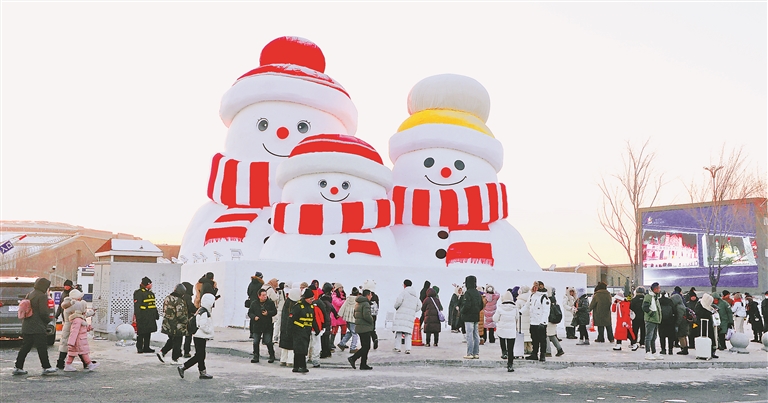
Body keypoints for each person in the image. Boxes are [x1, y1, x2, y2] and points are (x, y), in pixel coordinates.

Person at [13, 278, 57, 376]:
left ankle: (18, 367)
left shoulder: (30, 294)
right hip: (38, 326)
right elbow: (43, 312)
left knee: (25, 347)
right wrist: (47, 321)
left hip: (27, 325)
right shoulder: (42, 296)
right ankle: (46, 367)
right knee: (42, 347)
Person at [178, 293, 215, 379]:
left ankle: (202, 372)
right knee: (199, 355)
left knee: (200, 355)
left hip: (199, 336)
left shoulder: (201, 310)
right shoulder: (204, 312)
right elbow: (202, 325)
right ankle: (183, 367)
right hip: (200, 336)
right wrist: (209, 331)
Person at [56, 286, 92, 369]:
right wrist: (91, 312)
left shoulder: (69, 304)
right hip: (73, 327)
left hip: (68, 327)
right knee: (78, 345)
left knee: (66, 346)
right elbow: (83, 313)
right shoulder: (75, 305)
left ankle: (60, 363)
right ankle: (85, 363)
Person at [63, 290, 99, 372]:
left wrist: (88, 328)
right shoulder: (78, 319)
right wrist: (71, 342)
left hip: (78, 340)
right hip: (78, 340)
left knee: (73, 354)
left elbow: (80, 329)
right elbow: (74, 332)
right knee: (83, 352)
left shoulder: (78, 318)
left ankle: (68, 365)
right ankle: (89, 364)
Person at [157, 284, 189, 365]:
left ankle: (162, 352)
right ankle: (175, 359)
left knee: (172, 340)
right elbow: (180, 314)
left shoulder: (168, 298)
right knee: (177, 341)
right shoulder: (179, 300)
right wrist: (186, 321)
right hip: (177, 325)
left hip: (167, 323)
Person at [522, 280, 550, 362]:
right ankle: (534, 353)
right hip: (533, 321)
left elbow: (546, 311)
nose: (534, 288)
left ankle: (542, 354)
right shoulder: (532, 296)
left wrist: (543, 322)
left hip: (540, 323)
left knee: (542, 339)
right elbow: (527, 305)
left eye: (536, 286)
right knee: (534, 339)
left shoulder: (544, 297)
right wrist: (520, 312)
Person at [290, 289, 317, 373]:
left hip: (307, 331)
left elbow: (313, 319)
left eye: (313, 299)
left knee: (303, 348)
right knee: (299, 348)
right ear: (306, 298)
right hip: (298, 330)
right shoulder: (298, 306)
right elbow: (291, 319)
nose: (312, 300)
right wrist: (289, 331)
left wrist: (317, 329)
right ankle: (301, 366)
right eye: (311, 299)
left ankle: (297, 366)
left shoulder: (311, 307)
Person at [248, 288, 277, 363]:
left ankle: (272, 355)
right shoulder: (254, 303)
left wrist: (268, 313)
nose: (265, 297)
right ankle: (256, 356)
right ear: (259, 296)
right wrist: (254, 317)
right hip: (257, 325)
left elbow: (274, 311)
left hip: (267, 325)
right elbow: (250, 312)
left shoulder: (270, 303)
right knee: (255, 341)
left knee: (268, 341)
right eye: (263, 295)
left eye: (265, 295)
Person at [348, 289, 374, 370]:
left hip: (359, 327)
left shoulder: (358, 303)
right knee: (366, 347)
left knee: (365, 346)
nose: (371, 297)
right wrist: (372, 320)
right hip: (365, 327)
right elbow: (366, 315)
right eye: (370, 295)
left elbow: (355, 314)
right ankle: (353, 358)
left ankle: (363, 364)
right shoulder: (366, 303)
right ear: (367, 295)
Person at [392, 279, 421, 354]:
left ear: (404, 285)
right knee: (408, 333)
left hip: (401, 315)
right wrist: (413, 310)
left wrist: (396, 307)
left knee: (399, 331)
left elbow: (398, 302)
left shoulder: (403, 292)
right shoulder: (414, 295)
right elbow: (419, 305)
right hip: (409, 316)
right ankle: (408, 349)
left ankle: (397, 347)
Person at [493, 290, 518, 372]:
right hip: (511, 331)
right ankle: (510, 365)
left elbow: (495, 319)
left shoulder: (500, 308)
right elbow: (517, 318)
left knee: (502, 339)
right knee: (511, 349)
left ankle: (504, 352)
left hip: (502, 329)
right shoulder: (515, 308)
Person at [133, 277, 158, 354]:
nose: (151, 285)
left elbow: (153, 305)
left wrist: (156, 314)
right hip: (143, 316)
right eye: (150, 284)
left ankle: (146, 347)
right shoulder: (138, 293)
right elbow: (137, 306)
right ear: (147, 284)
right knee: (141, 332)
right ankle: (139, 347)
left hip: (150, 316)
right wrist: (138, 316)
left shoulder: (151, 293)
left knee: (148, 332)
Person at [460, 275, 483, 359]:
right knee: (476, 335)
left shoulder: (468, 293)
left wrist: (462, 311)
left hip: (468, 317)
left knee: (469, 335)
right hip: (476, 316)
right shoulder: (477, 293)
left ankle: (469, 353)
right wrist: (476, 310)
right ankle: (476, 353)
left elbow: (467, 305)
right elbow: (481, 305)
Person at [279, 285, 301, 367]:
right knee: (292, 346)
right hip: (292, 328)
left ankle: (283, 360)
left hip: (284, 327)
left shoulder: (286, 303)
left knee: (284, 346)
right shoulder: (296, 305)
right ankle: (290, 361)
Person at [642, 282, 663, 360]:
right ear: (655, 289)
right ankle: (647, 352)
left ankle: (654, 352)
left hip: (655, 320)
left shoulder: (655, 297)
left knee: (654, 337)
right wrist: (651, 313)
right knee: (649, 337)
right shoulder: (649, 297)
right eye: (658, 288)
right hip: (650, 320)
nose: (660, 289)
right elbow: (645, 307)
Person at [694, 293, 718, 359]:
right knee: (704, 337)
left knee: (711, 337)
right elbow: (700, 314)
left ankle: (712, 351)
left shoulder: (706, 305)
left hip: (708, 324)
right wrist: (710, 313)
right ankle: (703, 351)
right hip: (702, 324)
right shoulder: (699, 305)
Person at [336, 287, 360, 352]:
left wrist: (339, 314)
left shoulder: (348, 299)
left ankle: (342, 343)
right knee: (354, 333)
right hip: (354, 319)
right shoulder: (357, 300)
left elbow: (343, 307)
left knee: (351, 332)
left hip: (347, 319)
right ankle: (353, 348)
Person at [545, 287, 564, 358]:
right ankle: (559, 349)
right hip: (553, 320)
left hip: (548, 320)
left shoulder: (546, 299)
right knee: (552, 335)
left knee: (546, 335)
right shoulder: (553, 299)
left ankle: (548, 351)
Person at [670, 291, 691, 355]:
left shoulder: (679, 307)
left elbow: (680, 317)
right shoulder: (682, 305)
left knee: (681, 336)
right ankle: (685, 348)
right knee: (684, 336)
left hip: (682, 323)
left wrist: (677, 324)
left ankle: (684, 349)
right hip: (684, 322)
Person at [319, 282, 336, 358]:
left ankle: (324, 352)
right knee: (326, 336)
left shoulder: (323, 300)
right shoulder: (329, 299)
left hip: (324, 319)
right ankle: (327, 351)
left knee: (324, 337)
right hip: (328, 319)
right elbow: (333, 309)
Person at [181, 282, 196, 358]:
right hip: (187, 317)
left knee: (180, 336)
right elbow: (190, 306)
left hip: (181, 317)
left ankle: (178, 351)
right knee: (188, 336)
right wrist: (195, 310)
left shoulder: (181, 295)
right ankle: (186, 351)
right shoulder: (187, 296)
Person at [331, 283, 347, 347]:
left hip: (342, 315)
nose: (341, 289)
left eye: (342, 287)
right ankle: (331, 343)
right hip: (336, 315)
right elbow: (338, 303)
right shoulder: (334, 296)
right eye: (340, 288)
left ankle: (342, 343)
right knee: (335, 330)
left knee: (344, 329)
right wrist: (345, 301)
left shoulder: (343, 296)